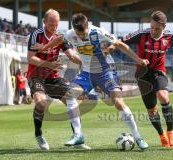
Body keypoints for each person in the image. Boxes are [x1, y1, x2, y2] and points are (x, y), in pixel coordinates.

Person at [35, 13, 150, 150]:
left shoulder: (98, 32)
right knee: (70, 94)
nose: (82, 37)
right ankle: (78, 135)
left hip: (106, 71)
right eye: (79, 34)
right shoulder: (71, 33)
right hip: (87, 72)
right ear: (74, 29)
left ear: (87, 26)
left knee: (118, 102)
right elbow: (59, 39)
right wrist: (44, 48)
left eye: (84, 34)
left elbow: (120, 45)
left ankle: (138, 136)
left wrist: (138, 60)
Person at [122, 11, 173, 147]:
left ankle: (171, 131)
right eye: (152, 27)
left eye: (157, 28)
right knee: (152, 110)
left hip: (158, 71)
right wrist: (113, 46)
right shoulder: (142, 34)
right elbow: (120, 42)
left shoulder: (168, 37)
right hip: (142, 75)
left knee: (163, 96)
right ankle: (161, 134)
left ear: (164, 26)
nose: (153, 30)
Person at [27, 9, 82, 150]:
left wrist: (83, 61)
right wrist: (49, 64)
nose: (54, 27)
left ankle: (77, 136)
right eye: (51, 24)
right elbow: (30, 58)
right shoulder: (36, 35)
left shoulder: (60, 37)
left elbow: (71, 54)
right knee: (41, 103)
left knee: (72, 100)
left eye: (57, 24)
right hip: (37, 76)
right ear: (44, 22)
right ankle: (38, 134)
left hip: (53, 78)